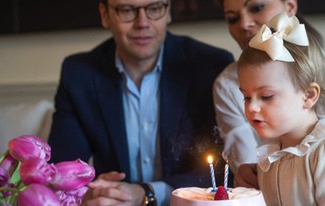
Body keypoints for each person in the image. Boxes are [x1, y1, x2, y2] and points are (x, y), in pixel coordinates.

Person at [47, 0, 234, 205]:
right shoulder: (79, 75)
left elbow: (224, 169)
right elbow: (60, 172)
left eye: (154, 9)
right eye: (127, 10)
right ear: (105, 15)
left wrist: (147, 192)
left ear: (168, 11)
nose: (142, 23)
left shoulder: (210, 66)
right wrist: (86, 194)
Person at [213, 0, 325, 205]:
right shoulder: (272, 154)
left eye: (266, 96)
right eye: (246, 97)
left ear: (309, 96)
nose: (251, 107)